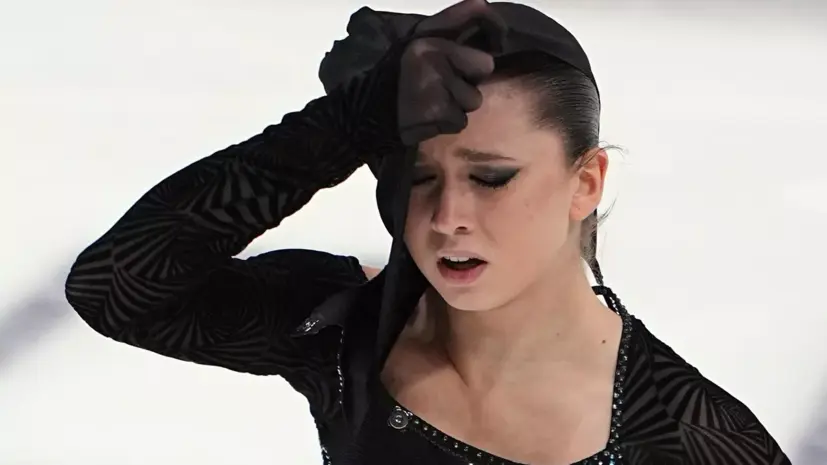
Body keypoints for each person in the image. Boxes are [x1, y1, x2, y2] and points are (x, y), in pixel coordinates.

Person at [64, 1, 790, 464]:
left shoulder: (691, 438)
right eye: (419, 178)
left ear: (586, 182)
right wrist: (344, 127)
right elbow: (113, 289)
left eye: (491, 177)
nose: (448, 218)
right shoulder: (342, 330)